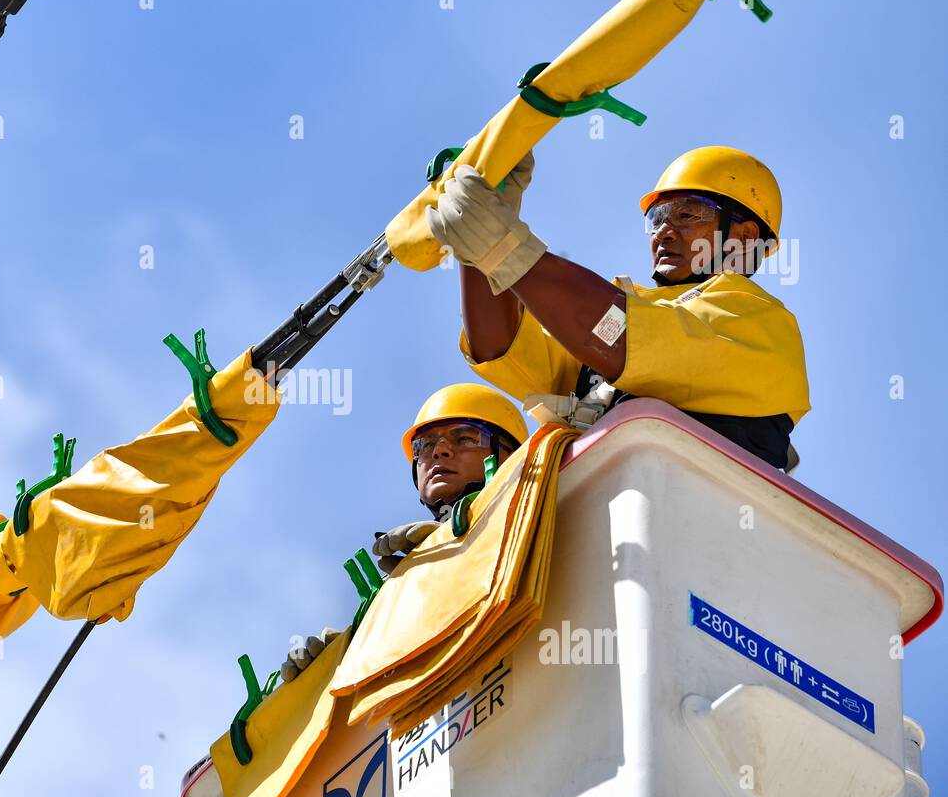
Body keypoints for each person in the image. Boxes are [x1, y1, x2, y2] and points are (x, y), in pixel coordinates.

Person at [432, 146, 809, 471]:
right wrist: (477, 247)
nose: (663, 232)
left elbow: (618, 335)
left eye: (687, 215)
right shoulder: (627, 318)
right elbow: (499, 346)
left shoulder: (761, 322)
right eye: (657, 219)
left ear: (744, 236)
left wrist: (503, 248)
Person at [279, 383, 527, 681]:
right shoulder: (408, 573)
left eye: (465, 438)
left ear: (510, 454)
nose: (440, 451)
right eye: (424, 446)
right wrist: (346, 655)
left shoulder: (544, 508)